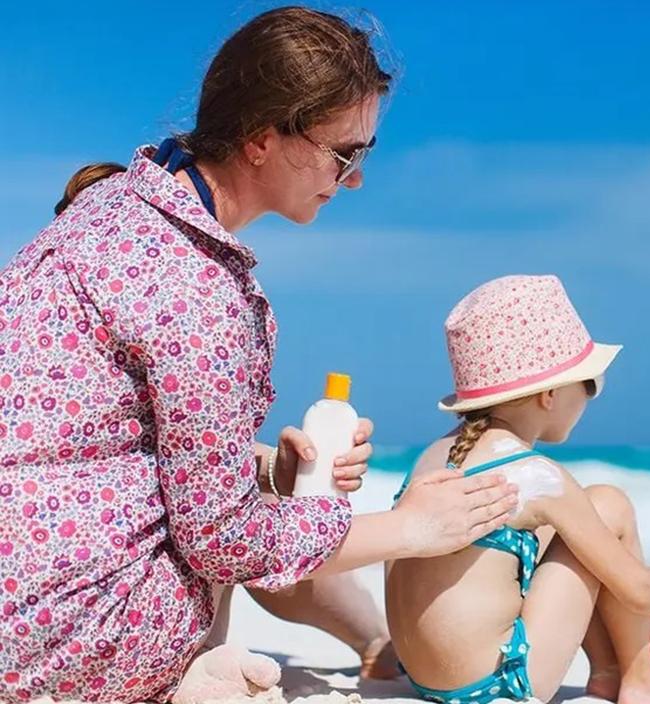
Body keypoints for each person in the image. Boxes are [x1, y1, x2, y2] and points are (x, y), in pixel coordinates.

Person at [0, 8, 516, 702]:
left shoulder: (111, 207)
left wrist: (267, 467)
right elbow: (223, 539)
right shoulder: (193, 286)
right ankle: (182, 675)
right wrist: (411, 528)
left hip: (22, 593)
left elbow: (82, 445)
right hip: (60, 635)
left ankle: (312, 650)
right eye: (345, 154)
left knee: (267, 503)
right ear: (262, 138)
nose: (355, 179)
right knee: (252, 529)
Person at [384, 275, 650, 704]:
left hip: (426, 678)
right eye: (590, 383)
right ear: (549, 393)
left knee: (560, 533)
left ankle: (608, 671)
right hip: (496, 686)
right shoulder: (538, 478)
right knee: (608, 505)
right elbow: (639, 592)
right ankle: (641, 678)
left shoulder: (433, 455)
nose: (591, 397)